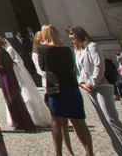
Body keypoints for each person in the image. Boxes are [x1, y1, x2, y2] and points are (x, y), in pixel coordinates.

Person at [68, 25, 122, 156]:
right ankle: (121, 152)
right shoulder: (77, 50)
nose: (70, 37)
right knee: (105, 123)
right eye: (69, 34)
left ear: (79, 33)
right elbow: (78, 71)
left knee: (112, 120)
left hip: (102, 87)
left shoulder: (92, 46)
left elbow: (99, 66)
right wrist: (82, 83)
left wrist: (92, 83)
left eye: (72, 34)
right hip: (89, 89)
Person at [38, 24, 94, 156]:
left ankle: (59, 154)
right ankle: (90, 153)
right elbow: (70, 67)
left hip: (56, 90)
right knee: (80, 122)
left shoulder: (43, 49)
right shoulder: (67, 50)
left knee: (57, 124)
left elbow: (42, 67)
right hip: (72, 87)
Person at [0, 35, 37, 131]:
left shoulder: (1, 52)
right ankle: (19, 122)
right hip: (7, 78)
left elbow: (4, 66)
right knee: (13, 100)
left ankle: (20, 122)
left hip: (7, 79)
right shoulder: (1, 52)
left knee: (12, 100)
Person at [4, 35, 52, 127]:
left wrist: (10, 63)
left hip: (18, 75)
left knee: (27, 98)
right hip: (11, 75)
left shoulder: (9, 49)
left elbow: (18, 61)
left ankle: (33, 118)